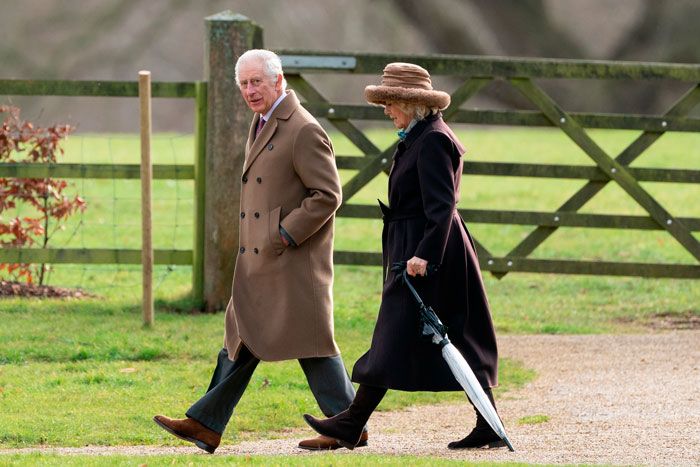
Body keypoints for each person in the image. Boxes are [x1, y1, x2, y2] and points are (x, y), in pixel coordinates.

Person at [154, 49, 368, 453]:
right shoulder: (263, 120)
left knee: (311, 342)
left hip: (290, 260)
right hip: (261, 260)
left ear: (278, 81)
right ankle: (206, 424)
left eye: (257, 82)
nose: (250, 91)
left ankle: (346, 424)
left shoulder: (302, 128)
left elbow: (327, 195)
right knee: (242, 335)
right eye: (244, 84)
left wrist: (284, 234)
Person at [303, 62, 505, 450]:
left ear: (411, 104)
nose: (386, 110)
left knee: (413, 334)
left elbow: (442, 206)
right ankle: (488, 425)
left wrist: (424, 256)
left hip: (428, 252)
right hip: (415, 245)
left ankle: (352, 422)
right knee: (414, 335)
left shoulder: (432, 141)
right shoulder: (418, 136)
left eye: (390, 102)